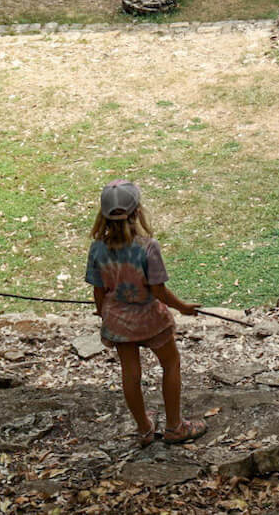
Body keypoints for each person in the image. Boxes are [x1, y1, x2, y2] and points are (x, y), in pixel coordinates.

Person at [85, 179, 206, 446]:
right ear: (137, 212)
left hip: (118, 322)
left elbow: (98, 290)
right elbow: (158, 291)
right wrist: (183, 307)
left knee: (131, 374)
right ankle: (175, 426)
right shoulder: (147, 247)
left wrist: (101, 312)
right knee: (171, 364)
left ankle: (143, 428)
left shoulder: (97, 249)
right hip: (151, 320)